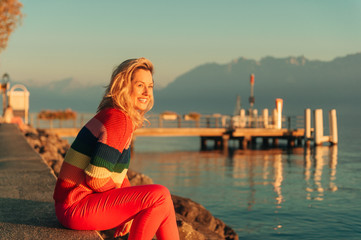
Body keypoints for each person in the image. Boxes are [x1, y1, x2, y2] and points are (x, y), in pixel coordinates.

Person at [53, 58, 179, 240]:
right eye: (140, 85)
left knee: (163, 201)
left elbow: (119, 175)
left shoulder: (115, 115)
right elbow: (96, 178)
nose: (146, 92)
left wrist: (129, 202)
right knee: (160, 196)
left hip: (70, 204)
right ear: (124, 87)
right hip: (74, 207)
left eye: (150, 86)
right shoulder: (118, 120)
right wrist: (126, 202)